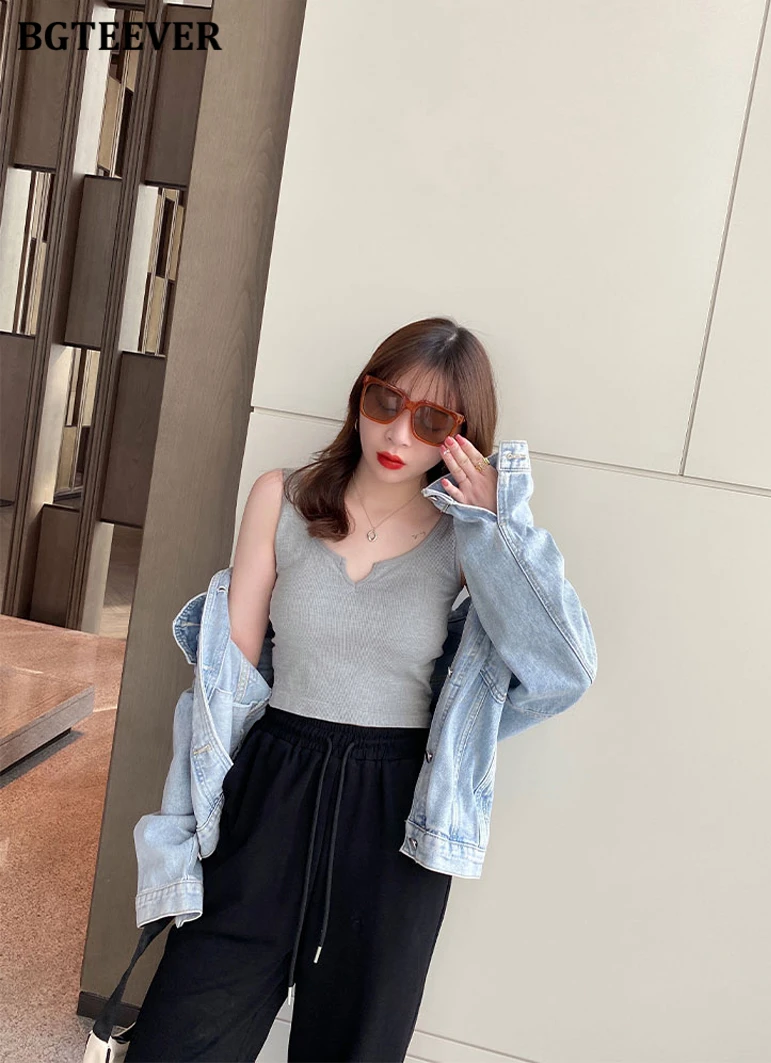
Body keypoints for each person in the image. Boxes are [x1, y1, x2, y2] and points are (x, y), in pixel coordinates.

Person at [126, 316, 500, 1062]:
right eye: (386, 401)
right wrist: (186, 823)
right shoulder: (283, 497)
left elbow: (551, 662)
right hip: (273, 781)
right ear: (361, 394)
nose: (399, 432)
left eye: (432, 420)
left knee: (354, 1043)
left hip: (395, 808)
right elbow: (225, 682)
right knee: (183, 1033)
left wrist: (499, 527)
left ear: (462, 437)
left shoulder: (466, 536)